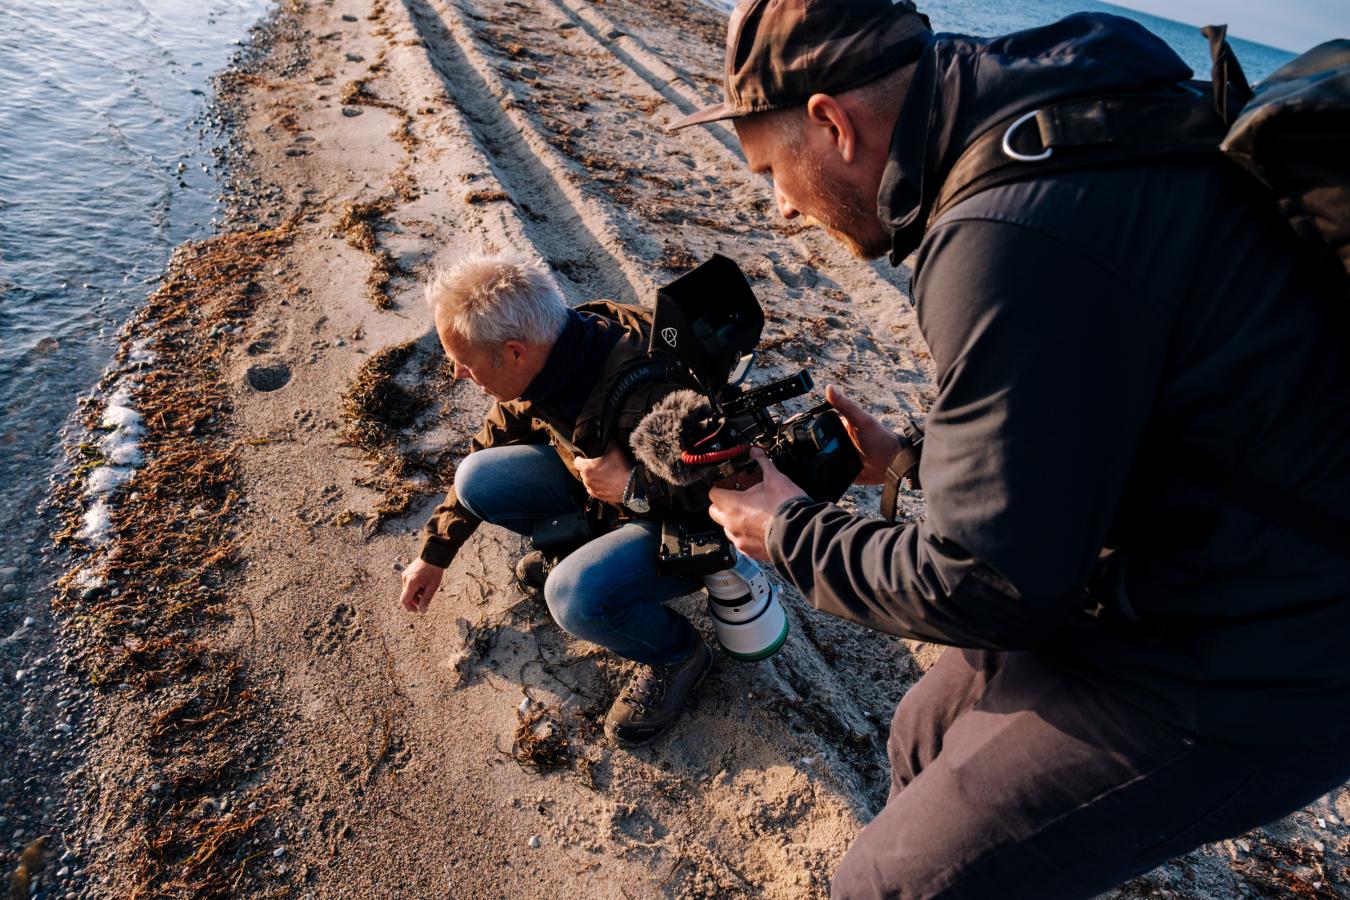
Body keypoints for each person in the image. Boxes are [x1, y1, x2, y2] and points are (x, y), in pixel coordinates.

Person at [669, 0, 1350, 896]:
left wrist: (787, 529)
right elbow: (1115, 390)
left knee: (885, 884)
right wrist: (913, 462)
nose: (782, 204)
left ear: (832, 123)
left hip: (1263, 649)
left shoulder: (1004, 233)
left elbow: (987, 586)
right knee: (921, 730)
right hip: (1175, 549)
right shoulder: (1052, 128)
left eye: (771, 169)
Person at [397, 251, 717, 746]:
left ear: (514, 351)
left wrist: (632, 488)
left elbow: (726, 500)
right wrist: (434, 554)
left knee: (573, 596)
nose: (458, 374)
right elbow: (486, 447)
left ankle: (677, 653)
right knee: (477, 477)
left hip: (686, 525)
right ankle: (590, 550)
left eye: (465, 363)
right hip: (610, 496)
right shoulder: (551, 354)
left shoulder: (646, 390)